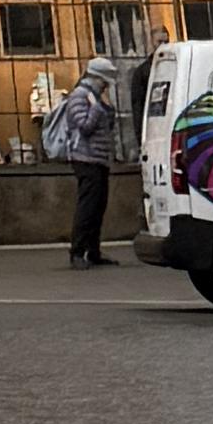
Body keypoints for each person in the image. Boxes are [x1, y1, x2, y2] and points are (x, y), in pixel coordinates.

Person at [51, 53, 122, 268]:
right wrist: (98, 108)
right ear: (96, 78)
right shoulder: (79, 96)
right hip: (85, 158)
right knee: (87, 207)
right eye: (104, 81)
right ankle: (78, 252)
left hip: (99, 159)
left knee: (98, 207)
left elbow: (107, 127)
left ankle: (93, 251)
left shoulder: (95, 98)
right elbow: (85, 126)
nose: (106, 86)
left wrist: (107, 109)